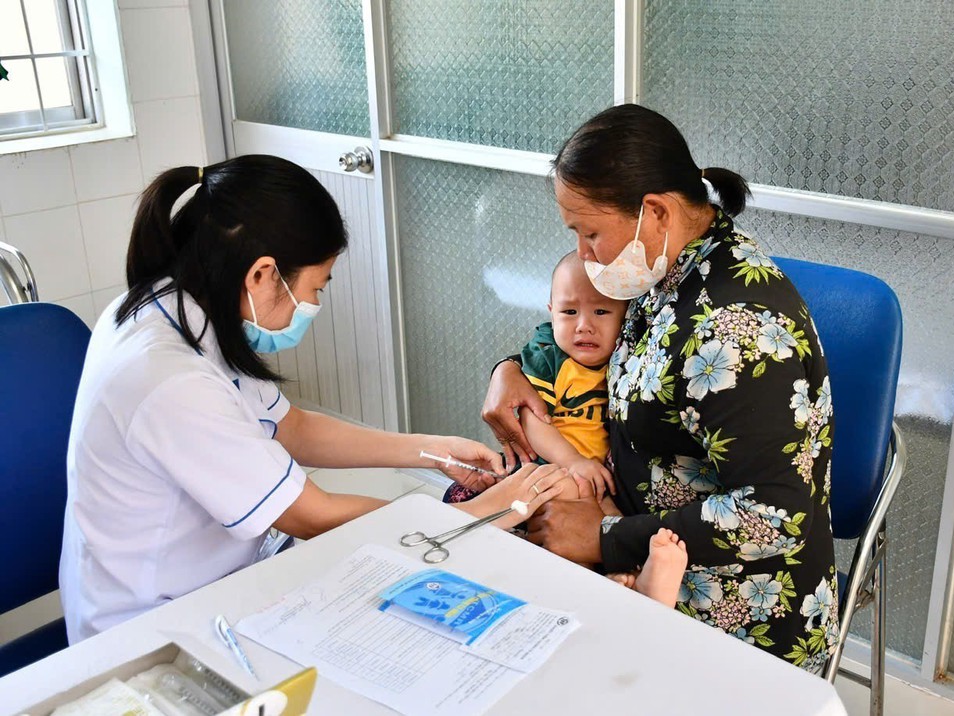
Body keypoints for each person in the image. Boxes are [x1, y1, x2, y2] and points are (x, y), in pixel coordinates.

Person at [59, 155, 572, 644]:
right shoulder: (170, 380)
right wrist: (473, 517)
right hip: (155, 622)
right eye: (316, 287)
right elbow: (310, 514)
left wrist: (434, 450)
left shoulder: (179, 304)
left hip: (217, 574)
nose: (314, 305)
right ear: (262, 275)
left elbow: (292, 428)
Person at [483, 104, 839, 673]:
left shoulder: (733, 332)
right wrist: (511, 371)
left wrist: (605, 537)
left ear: (654, 212)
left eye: (591, 232)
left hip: (736, 603)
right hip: (634, 538)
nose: (583, 254)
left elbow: (775, 513)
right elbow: (585, 322)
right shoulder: (663, 267)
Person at [444, 252, 625, 503]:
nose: (584, 325)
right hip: (544, 466)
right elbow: (533, 419)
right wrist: (573, 461)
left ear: (626, 315)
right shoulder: (549, 355)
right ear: (552, 312)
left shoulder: (622, 358)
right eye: (569, 311)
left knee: (605, 516)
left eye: (601, 311)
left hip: (593, 476)